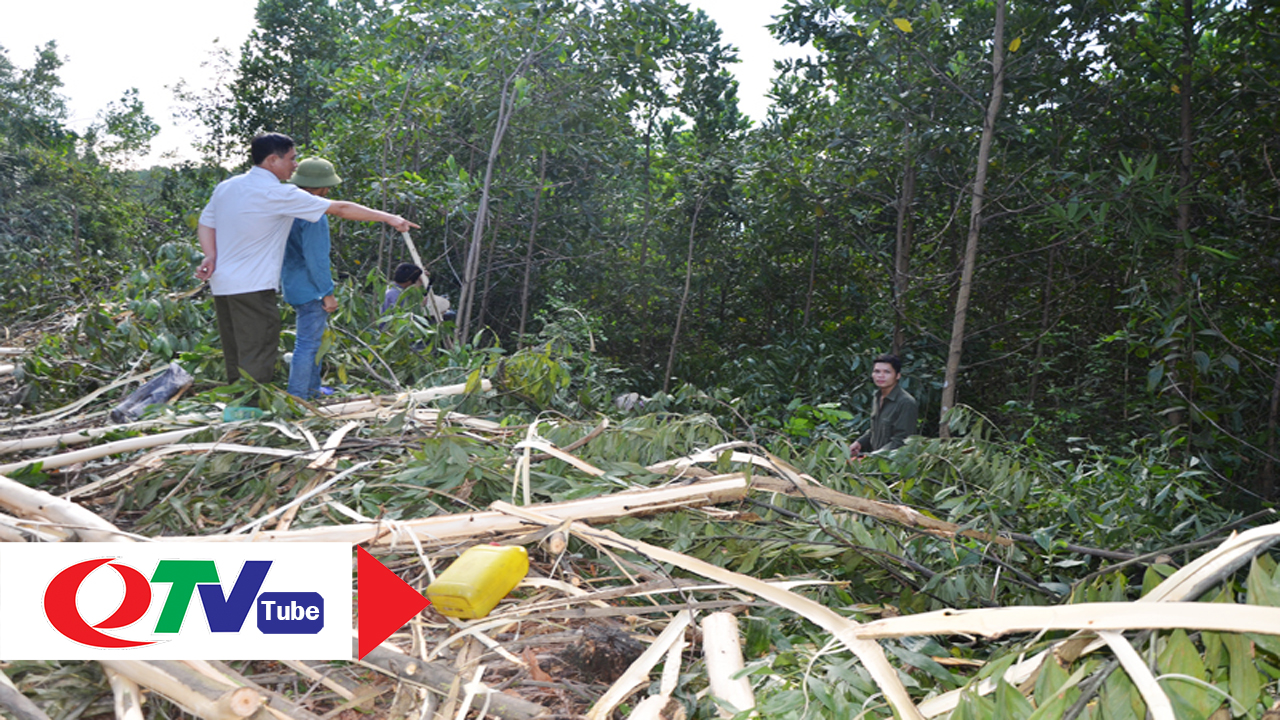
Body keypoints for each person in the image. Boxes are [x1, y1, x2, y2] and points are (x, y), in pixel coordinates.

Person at [195, 132, 418, 385]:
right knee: (258, 347)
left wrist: (211, 256)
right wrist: (389, 218)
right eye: (291, 158)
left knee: (234, 347)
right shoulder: (277, 193)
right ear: (272, 160)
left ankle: (238, 404)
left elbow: (206, 224)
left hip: (223, 283)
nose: (295, 165)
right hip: (253, 286)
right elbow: (341, 209)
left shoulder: (227, 187)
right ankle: (250, 407)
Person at [281, 157, 341, 399]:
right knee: (306, 346)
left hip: (292, 284)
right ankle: (298, 398)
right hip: (311, 289)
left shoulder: (286, 207)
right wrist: (327, 292)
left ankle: (312, 391)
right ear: (324, 187)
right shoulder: (315, 214)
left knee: (311, 343)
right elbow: (316, 258)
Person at [851, 353, 918, 455]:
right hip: (876, 461)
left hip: (894, 464)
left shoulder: (906, 402)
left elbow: (902, 441)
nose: (881, 376)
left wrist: (872, 458)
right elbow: (875, 429)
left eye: (887, 372)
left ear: (898, 375)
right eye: (877, 371)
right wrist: (859, 442)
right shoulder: (877, 397)